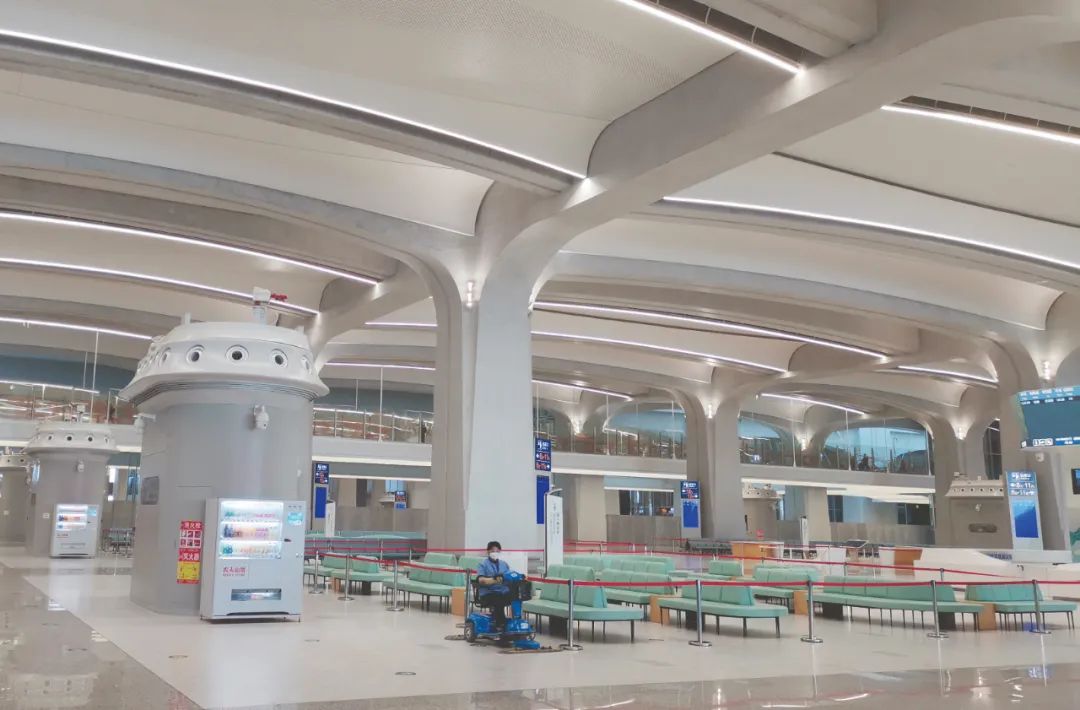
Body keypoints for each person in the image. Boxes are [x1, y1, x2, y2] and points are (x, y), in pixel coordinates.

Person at [475, 540, 514, 631]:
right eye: (492, 551)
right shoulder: (483, 564)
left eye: (497, 551)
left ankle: (515, 623)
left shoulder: (504, 564)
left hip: (502, 591)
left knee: (516, 597)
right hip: (488, 593)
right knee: (498, 600)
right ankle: (500, 625)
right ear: (488, 551)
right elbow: (481, 580)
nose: (495, 553)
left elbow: (508, 576)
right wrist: (494, 580)